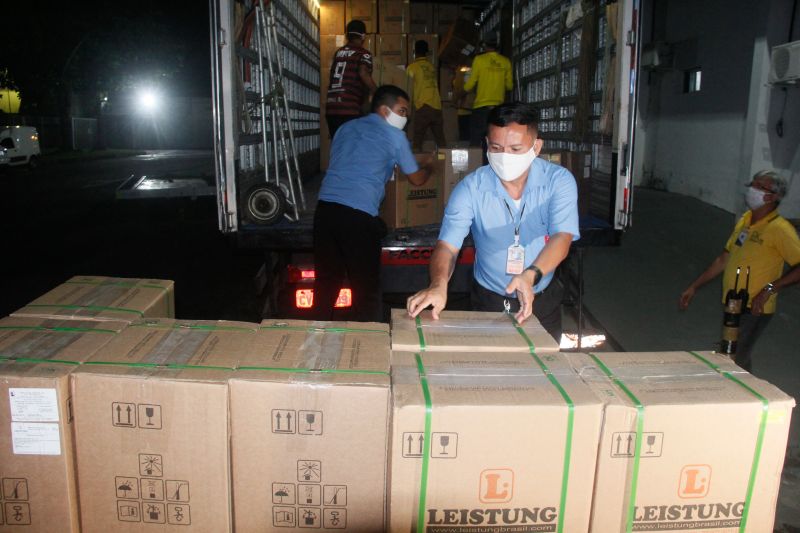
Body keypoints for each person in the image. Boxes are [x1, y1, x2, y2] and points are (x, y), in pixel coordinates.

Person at [407, 102, 579, 339]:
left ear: (536, 147)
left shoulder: (558, 181)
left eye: (516, 149)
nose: (505, 157)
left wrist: (530, 276)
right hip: (488, 298)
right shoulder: (470, 188)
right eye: (496, 148)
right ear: (487, 145)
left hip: (541, 295)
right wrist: (438, 284)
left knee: (541, 369)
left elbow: (563, 237)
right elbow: (447, 246)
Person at [315, 85, 433, 322]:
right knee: (366, 288)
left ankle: (312, 341)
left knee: (327, 285)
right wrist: (431, 165)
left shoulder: (345, 128)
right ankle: (371, 347)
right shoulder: (395, 136)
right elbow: (416, 179)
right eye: (402, 111)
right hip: (358, 217)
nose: (405, 117)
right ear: (383, 109)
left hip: (325, 212)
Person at [679, 170, 800, 371]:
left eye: (758, 186)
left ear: (772, 196)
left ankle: (744, 397)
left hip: (755, 307)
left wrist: (770, 289)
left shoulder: (780, 229)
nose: (751, 190)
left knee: (734, 356)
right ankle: (748, 396)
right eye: (752, 185)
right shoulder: (746, 219)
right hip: (734, 302)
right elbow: (724, 258)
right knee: (735, 354)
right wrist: (694, 286)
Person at [325, 20, 377, 139]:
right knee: (351, 147)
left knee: (338, 146)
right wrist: (378, 92)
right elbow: (363, 73)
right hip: (349, 109)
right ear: (363, 36)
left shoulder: (338, 53)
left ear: (347, 35)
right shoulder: (364, 54)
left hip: (332, 108)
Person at [463, 40, 513, 148]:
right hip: (498, 109)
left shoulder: (479, 60)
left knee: (475, 140)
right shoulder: (505, 62)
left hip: (481, 107)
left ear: (485, 46)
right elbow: (509, 86)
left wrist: (464, 88)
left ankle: (476, 162)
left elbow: (470, 84)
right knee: (495, 141)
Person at [406, 40, 446, 151]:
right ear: (427, 53)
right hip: (437, 106)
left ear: (414, 52)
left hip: (423, 106)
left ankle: (416, 166)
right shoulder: (432, 67)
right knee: (440, 140)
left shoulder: (412, 68)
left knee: (417, 141)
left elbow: (408, 88)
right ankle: (446, 163)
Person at [452, 62, 474, 143]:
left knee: (464, 136)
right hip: (476, 108)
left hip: (463, 109)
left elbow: (457, 88)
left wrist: (454, 101)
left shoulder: (461, 72)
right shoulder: (476, 71)